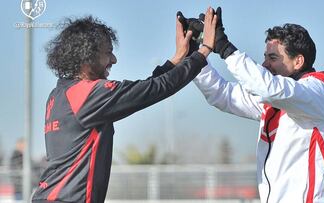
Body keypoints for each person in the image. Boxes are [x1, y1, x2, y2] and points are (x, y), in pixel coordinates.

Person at [31, 8, 217, 203]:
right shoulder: (86, 95)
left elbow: (144, 91)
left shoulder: (61, 94)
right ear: (87, 57)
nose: (114, 60)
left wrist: (178, 58)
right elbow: (156, 89)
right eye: (108, 53)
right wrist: (204, 51)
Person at [189, 7, 324, 203]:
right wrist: (194, 55)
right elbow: (223, 94)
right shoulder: (277, 100)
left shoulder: (319, 89)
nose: (265, 64)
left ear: (298, 61)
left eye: (272, 58)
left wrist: (224, 47)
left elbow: (269, 88)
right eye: (265, 57)